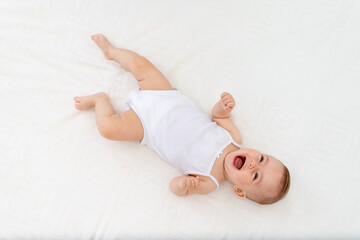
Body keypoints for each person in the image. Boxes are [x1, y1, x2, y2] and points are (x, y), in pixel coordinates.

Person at [74, 34, 290, 205]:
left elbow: (175, 189)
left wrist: (184, 185)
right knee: (141, 65)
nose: (253, 163)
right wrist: (223, 106)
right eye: (261, 159)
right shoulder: (233, 138)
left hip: (146, 127)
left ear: (239, 191)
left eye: (255, 176)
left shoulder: (209, 182)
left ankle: (99, 101)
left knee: (108, 129)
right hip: (165, 97)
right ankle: (112, 52)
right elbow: (218, 116)